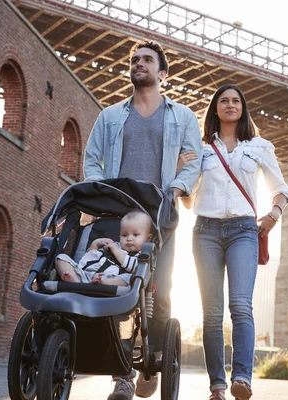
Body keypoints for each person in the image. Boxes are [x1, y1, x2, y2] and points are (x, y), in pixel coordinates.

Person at [83, 40, 202, 400]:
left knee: (160, 292)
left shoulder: (182, 117)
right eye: (135, 60)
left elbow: (193, 161)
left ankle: (153, 358)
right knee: (117, 290)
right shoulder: (110, 116)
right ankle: (121, 375)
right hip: (118, 216)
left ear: (162, 73)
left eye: (147, 60)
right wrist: (99, 191)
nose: (139, 64)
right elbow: (92, 159)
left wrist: (176, 189)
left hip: (160, 215)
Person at [181, 84, 288, 400]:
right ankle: (217, 386)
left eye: (235, 101)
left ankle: (242, 378)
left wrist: (273, 214)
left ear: (242, 109)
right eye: (223, 101)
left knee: (241, 305)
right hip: (205, 232)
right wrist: (181, 171)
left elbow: (281, 187)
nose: (230, 105)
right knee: (212, 313)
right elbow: (189, 202)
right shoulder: (201, 148)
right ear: (215, 109)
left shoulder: (259, 147)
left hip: (244, 231)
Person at [55, 211, 152, 287]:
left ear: (147, 239)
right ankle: (76, 283)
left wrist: (116, 251)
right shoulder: (112, 246)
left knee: (131, 278)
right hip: (87, 276)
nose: (129, 239)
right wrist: (94, 246)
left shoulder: (142, 255)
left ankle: (101, 283)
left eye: (135, 235)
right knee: (61, 258)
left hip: (111, 281)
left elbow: (133, 267)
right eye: (124, 235)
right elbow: (86, 262)